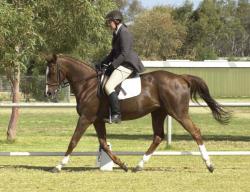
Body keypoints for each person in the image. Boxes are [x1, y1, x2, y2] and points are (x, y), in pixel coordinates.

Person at [97, 10, 144, 124]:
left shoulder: (124, 32)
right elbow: (113, 53)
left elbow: (124, 53)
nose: (108, 24)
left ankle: (116, 114)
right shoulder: (117, 32)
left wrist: (112, 66)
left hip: (128, 64)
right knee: (103, 81)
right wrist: (102, 63)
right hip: (122, 63)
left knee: (108, 86)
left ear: (116, 21)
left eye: (110, 22)